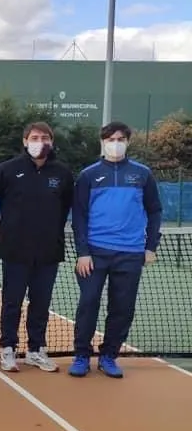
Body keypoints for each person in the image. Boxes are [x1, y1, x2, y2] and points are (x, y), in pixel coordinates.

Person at [69, 121, 162, 379]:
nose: (115, 143)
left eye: (120, 138)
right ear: (103, 142)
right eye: (110, 139)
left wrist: (150, 246)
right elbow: (79, 215)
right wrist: (83, 251)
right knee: (88, 303)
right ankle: (81, 356)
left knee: (123, 308)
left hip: (130, 254)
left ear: (128, 142)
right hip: (95, 252)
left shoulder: (143, 174)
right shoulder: (88, 175)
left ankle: (109, 356)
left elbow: (154, 211)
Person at [0, 121, 74, 373]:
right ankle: (8, 349)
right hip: (15, 250)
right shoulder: (6, 170)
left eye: (45, 137)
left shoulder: (62, 173)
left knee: (41, 303)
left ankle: (36, 350)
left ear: (52, 142)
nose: (40, 141)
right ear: (25, 141)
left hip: (49, 251)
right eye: (35, 137)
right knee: (12, 302)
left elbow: (66, 206)